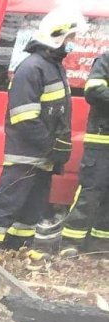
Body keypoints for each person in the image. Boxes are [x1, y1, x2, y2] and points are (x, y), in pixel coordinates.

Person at [0, 8, 85, 261]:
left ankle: (17, 246)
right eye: (69, 38)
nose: (71, 44)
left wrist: (57, 146)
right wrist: (49, 145)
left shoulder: (53, 67)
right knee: (8, 201)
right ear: (56, 36)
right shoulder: (31, 68)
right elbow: (24, 116)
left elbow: (56, 112)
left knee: (34, 203)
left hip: (42, 154)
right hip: (26, 153)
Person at [63, 48, 109, 254]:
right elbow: (93, 90)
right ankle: (71, 243)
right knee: (92, 188)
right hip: (102, 138)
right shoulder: (106, 59)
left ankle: (101, 244)